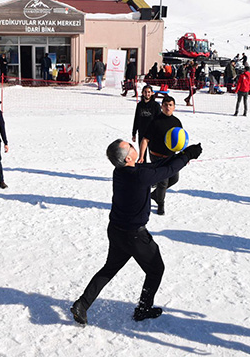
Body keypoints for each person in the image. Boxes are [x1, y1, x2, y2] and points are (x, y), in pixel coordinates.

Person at [70, 139, 202, 325]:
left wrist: (181, 155)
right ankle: (143, 309)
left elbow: (153, 166)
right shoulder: (139, 176)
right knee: (156, 269)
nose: (134, 145)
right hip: (134, 236)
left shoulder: (121, 171)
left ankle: (82, 305)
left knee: (109, 268)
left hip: (116, 231)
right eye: (130, 146)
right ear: (128, 158)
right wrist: (187, 156)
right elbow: (166, 172)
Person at [138, 95, 183, 215]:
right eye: (165, 105)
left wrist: (183, 156)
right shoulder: (155, 121)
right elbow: (145, 139)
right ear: (162, 106)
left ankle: (155, 194)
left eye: (170, 105)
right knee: (163, 182)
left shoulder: (177, 122)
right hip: (157, 155)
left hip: (171, 156)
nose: (168, 107)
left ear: (174, 107)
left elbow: (181, 140)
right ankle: (161, 204)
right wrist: (142, 156)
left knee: (174, 178)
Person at [132, 85, 161, 162]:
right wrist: (134, 133)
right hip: (142, 132)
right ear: (142, 93)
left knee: (153, 154)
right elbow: (136, 119)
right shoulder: (140, 105)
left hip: (152, 134)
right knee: (142, 155)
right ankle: (143, 170)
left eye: (149, 92)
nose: (147, 94)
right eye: (145, 92)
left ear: (152, 93)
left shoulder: (156, 105)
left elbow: (159, 120)